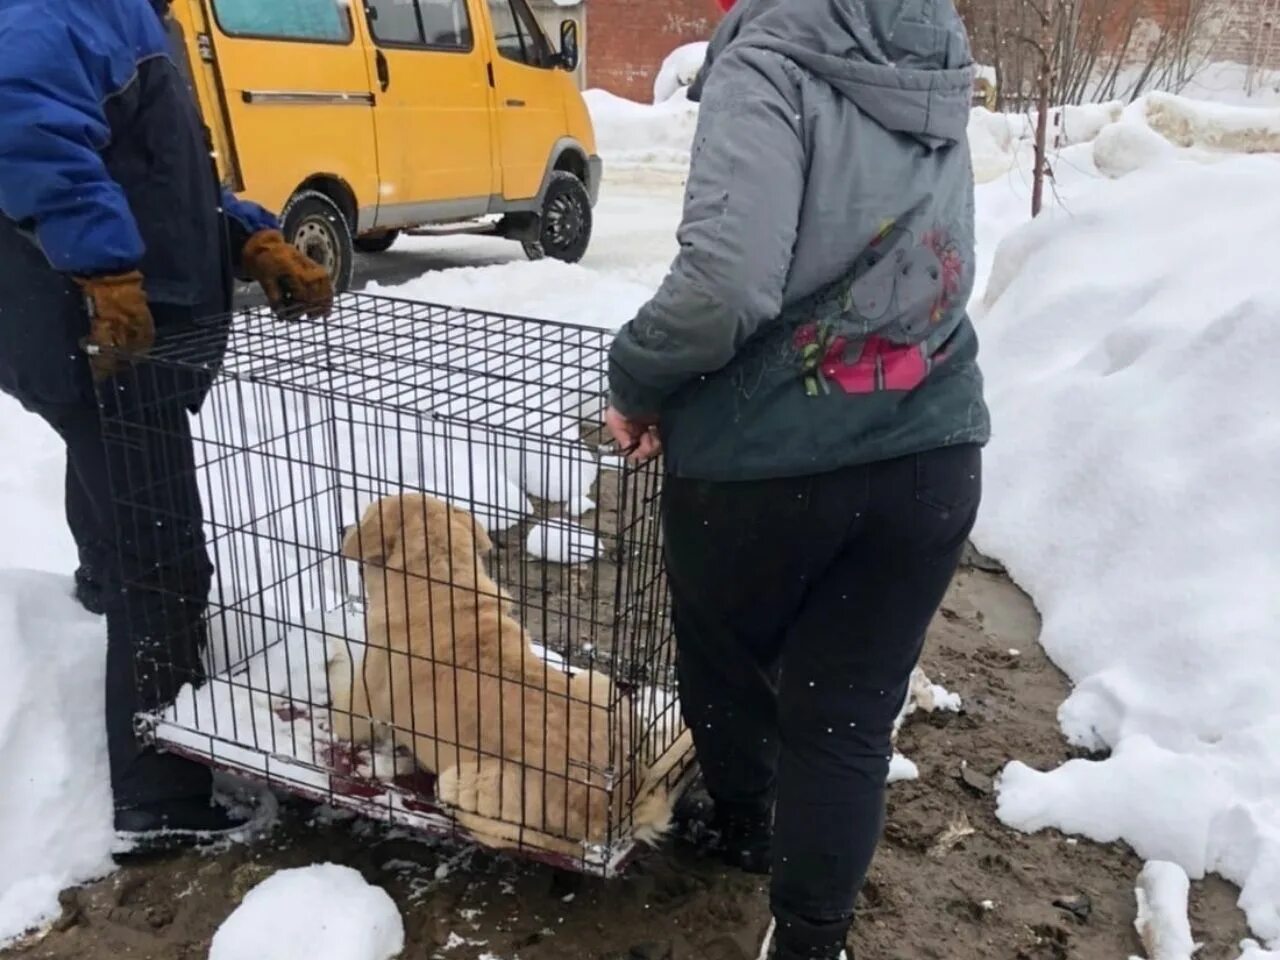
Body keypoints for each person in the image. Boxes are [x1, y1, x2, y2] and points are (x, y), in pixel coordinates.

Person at [605, 0, 990, 957]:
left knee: (727, 658)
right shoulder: (933, 59)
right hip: (929, 455)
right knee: (847, 715)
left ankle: (742, 821)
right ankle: (813, 940)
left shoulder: (769, 62)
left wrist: (636, 377)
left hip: (767, 462)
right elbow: (942, 259)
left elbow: (726, 286)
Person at [0, 0, 332, 848]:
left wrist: (249, 236)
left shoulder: (137, 17)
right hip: (97, 329)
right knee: (169, 563)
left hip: (117, 336)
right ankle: (160, 798)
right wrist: (105, 269)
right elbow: (25, 130)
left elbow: (159, 178)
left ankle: (101, 588)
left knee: (113, 484)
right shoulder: (64, 10)